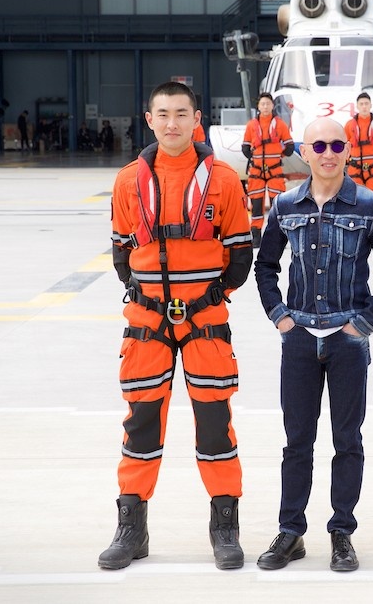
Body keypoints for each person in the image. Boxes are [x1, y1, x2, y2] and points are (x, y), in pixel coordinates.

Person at [100, 81, 253, 571]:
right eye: (163, 114)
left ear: (196, 119)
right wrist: (151, 298)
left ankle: (224, 526)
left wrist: (207, 298)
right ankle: (132, 527)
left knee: (215, 424)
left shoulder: (224, 180)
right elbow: (122, 253)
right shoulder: (128, 181)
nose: (172, 123)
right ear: (149, 120)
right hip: (147, 322)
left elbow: (240, 257)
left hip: (205, 319)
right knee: (140, 423)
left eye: (181, 114)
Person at [254, 117, 373, 573]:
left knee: (347, 440)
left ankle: (342, 532)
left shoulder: (370, 205)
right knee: (297, 441)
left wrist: (364, 323)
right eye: (318, 145)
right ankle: (291, 532)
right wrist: (280, 317)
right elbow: (265, 267)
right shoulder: (284, 205)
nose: (328, 153)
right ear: (304, 151)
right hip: (299, 339)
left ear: (348, 150)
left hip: (347, 342)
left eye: (337, 145)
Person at [241, 92, 294, 248]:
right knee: (256, 207)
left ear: (272, 106)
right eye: (262, 104)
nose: (265, 107)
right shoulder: (251, 125)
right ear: (258, 106)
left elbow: (290, 147)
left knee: (277, 205)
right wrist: (255, 159)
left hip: (274, 171)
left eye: (268, 104)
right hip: (257, 172)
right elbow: (245, 148)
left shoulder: (280, 124)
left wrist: (278, 156)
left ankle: (277, 238)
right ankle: (256, 238)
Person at [344, 92, 373, 193]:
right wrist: (349, 161)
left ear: (371, 105)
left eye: (366, 104)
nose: (364, 106)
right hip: (354, 169)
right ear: (357, 106)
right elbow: (344, 147)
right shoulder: (349, 125)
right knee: (354, 197)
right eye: (361, 104)